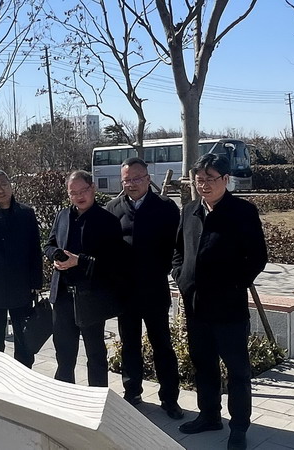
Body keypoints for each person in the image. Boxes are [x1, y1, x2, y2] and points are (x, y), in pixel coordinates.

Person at [172, 153, 267, 450]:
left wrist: (235, 284)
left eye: (210, 179)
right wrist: (181, 276)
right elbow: (178, 251)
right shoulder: (190, 210)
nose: (204, 185)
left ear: (226, 179)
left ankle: (238, 427)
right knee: (204, 365)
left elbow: (258, 257)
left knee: (237, 371)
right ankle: (209, 415)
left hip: (229, 308)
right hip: (196, 306)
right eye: (199, 180)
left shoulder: (243, 212)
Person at [106, 157, 183, 419]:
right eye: (126, 180)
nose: (132, 184)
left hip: (154, 290)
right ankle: (132, 392)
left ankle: (169, 398)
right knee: (130, 344)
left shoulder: (165, 207)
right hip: (125, 292)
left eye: (137, 178)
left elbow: (177, 246)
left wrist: (168, 270)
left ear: (148, 179)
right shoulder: (113, 208)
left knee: (162, 345)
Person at [44, 170, 124, 387]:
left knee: (95, 353)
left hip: (91, 296)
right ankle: (65, 394)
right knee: (64, 352)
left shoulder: (107, 220)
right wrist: (55, 256)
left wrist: (79, 261)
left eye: (84, 190)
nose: (79, 196)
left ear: (93, 189)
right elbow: (49, 244)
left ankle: (98, 397)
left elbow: (113, 262)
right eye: (73, 193)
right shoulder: (62, 216)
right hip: (62, 296)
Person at [0, 169, 43, 368]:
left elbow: (34, 250)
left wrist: (36, 282)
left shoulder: (26, 213)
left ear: (11, 185)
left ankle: (24, 374)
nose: (0, 190)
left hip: (21, 286)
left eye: (4, 184)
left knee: (24, 337)